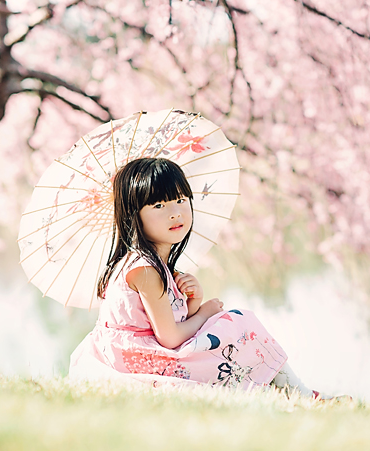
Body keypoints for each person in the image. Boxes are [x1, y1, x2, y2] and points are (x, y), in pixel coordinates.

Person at [69, 157, 318, 397]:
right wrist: (204, 313)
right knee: (240, 322)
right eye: (158, 206)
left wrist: (191, 303)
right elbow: (169, 337)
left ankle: (294, 392)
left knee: (235, 326)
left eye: (180, 200)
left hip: (140, 353)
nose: (175, 213)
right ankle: (302, 395)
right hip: (138, 361)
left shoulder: (152, 265)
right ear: (134, 215)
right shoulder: (145, 270)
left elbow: (165, 325)